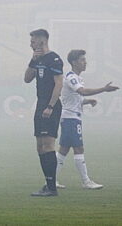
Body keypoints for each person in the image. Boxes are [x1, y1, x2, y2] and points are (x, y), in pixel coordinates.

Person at [54, 49, 118, 189]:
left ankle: (52, 180)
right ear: (74, 62)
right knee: (79, 148)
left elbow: (75, 98)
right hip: (71, 118)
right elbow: (81, 91)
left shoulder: (77, 78)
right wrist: (104, 89)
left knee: (64, 149)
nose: (85, 62)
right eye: (82, 60)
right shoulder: (71, 77)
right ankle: (86, 181)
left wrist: (87, 101)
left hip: (70, 117)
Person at [24, 28, 63, 196]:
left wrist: (51, 106)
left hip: (50, 105)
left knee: (48, 145)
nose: (31, 44)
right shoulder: (38, 59)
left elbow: (58, 84)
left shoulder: (54, 59)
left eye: (33, 41)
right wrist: (33, 60)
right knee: (40, 147)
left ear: (42, 41)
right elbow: (26, 79)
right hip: (40, 104)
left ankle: (52, 187)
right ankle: (48, 184)